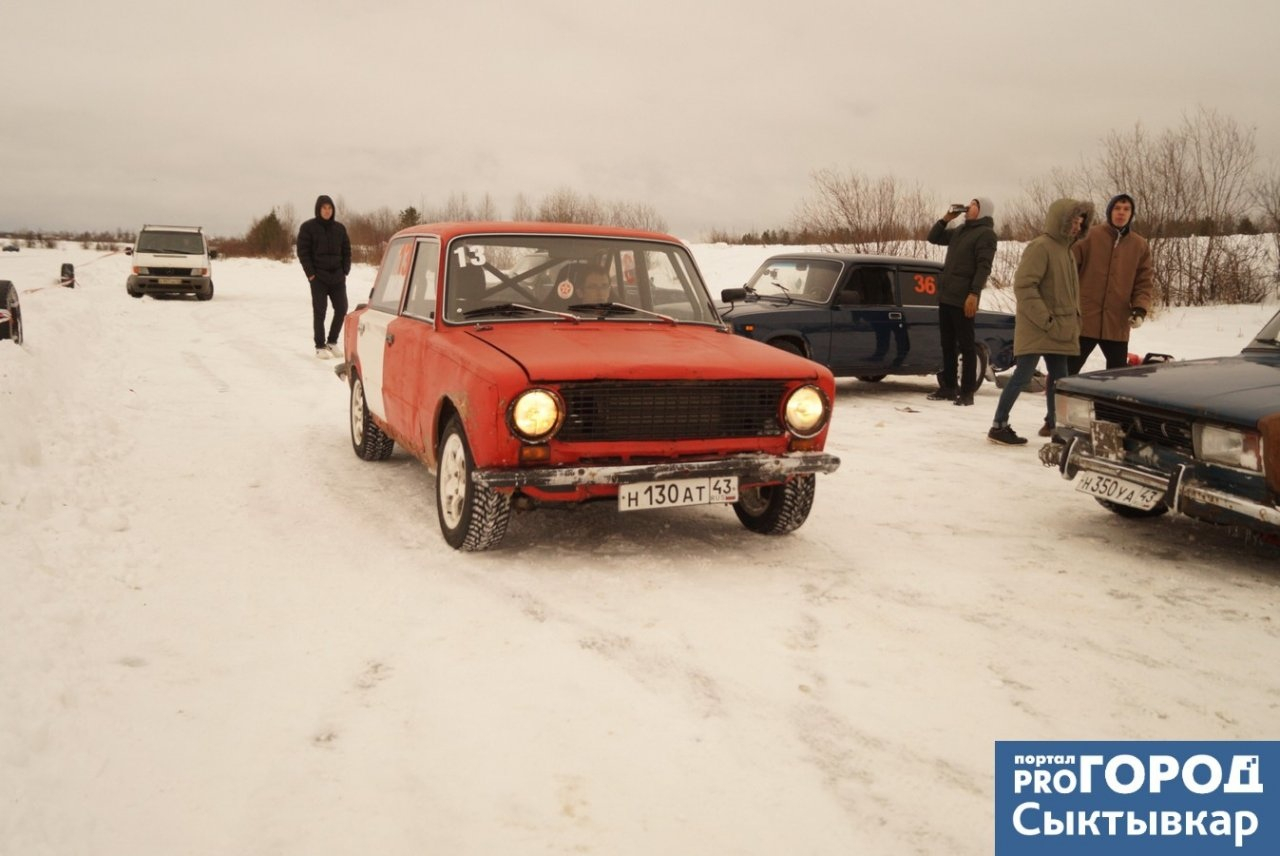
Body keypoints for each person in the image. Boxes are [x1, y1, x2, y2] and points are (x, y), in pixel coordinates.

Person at [988, 198, 1093, 445]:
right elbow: (1024, 286)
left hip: (1058, 328)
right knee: (1022, 376)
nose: (1077, 227)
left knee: (1059, 379)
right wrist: (1046, 319)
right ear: (1060, 220)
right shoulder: (1041, 247)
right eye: (1073, 221)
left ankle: (1058, 429)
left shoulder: (1067, 251)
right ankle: (998, 426)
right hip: (1038, 327)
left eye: (1080, 223)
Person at [1067, 192, 1154, 375]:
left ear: (1131, 214)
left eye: (1126, 209)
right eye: (1117, 208)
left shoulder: (1140, 245)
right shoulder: (1089, 237)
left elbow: (1144, 282)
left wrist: (1139, 309)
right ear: (1109, 211)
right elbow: (1067, 272)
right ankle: (1057, 395)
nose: (1121, 212)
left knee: (1117, 376)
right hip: (1085, 320)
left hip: (1117, 322)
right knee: (1067, 373)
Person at [925, 197, 998, 406]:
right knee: (947, 343)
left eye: (974, 204)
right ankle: (948, 387)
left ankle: (967, 392)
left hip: (964, 298)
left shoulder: (986, 234)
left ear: (982, 210)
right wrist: (946, 218)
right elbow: (933, 238)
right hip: (947, 295)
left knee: (966, 345)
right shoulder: (960, 230)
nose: (969, 206)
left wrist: (974, 293)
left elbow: (984, 267)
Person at [297, 194, 352, 359]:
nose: (327, 211)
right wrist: (311, 274)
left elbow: (347, 250)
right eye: (324, 208)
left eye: (330, 208)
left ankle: (332, 342)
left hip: (337, 277)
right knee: (320, 311)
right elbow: (303, 252)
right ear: (318, 209)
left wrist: (345, 270)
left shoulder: (340, 228)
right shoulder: (308, 227)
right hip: (318, 278)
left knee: (342, 308)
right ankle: (320, 346)